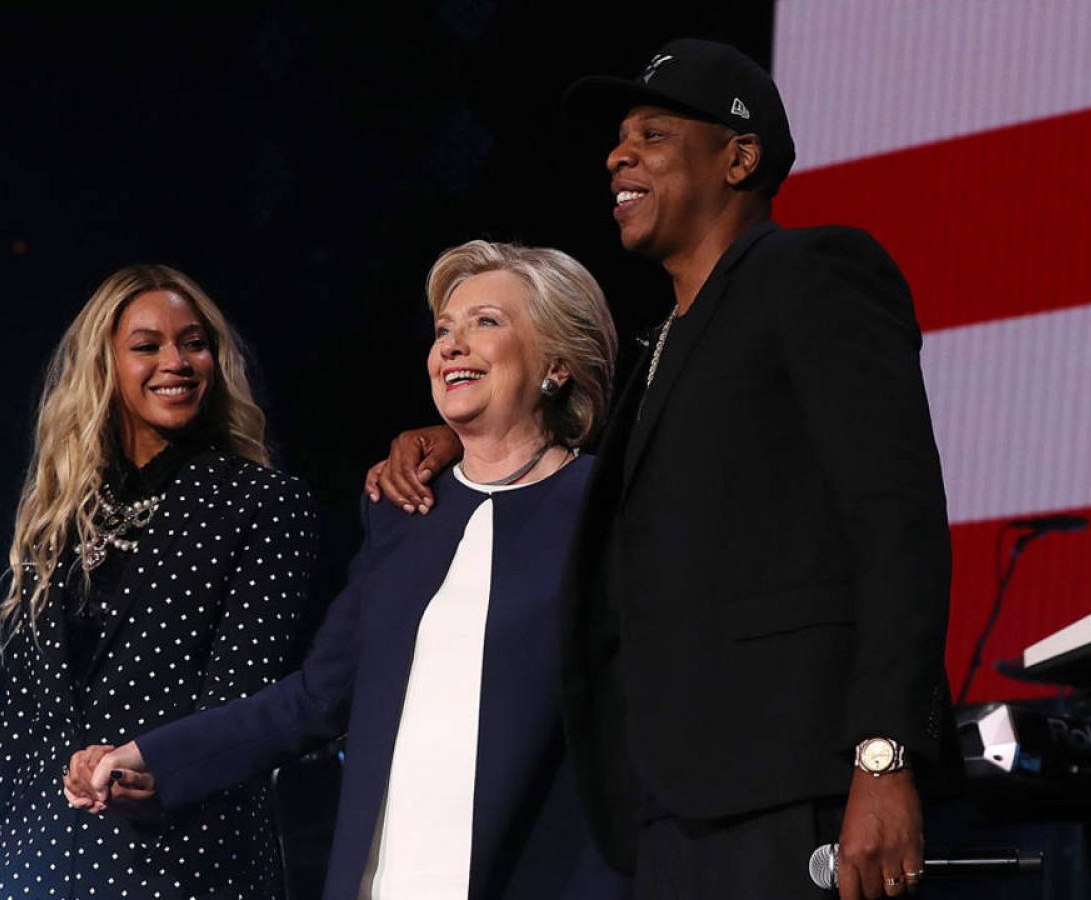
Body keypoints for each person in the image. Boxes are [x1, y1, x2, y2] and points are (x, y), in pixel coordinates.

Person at [370, 40, 953, 900]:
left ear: (739, 156)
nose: (617, 154)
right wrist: (471, 438)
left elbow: (896, 521)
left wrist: (883, 755)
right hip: (668, 813)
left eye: (654, 133)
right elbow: (638, 504)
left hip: (797, 792)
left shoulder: (813, 274)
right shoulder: (660, 349)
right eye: (617, 139)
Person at [63, 241, 629, 899]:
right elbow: (315, 698)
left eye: (486, 322)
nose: (451, 345)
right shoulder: (406, 508)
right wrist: (148, 756)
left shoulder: (609, 508)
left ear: (557, 365)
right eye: (443, 329)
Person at [0, 264, 319, 899]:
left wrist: (154, 772)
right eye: (147, 346)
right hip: (38, 861)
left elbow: (243, 703)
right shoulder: (61, 519)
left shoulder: (263, 503)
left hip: (181, 855)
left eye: (194, 342)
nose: (177, 361)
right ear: (104, 367)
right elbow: (21, 736)